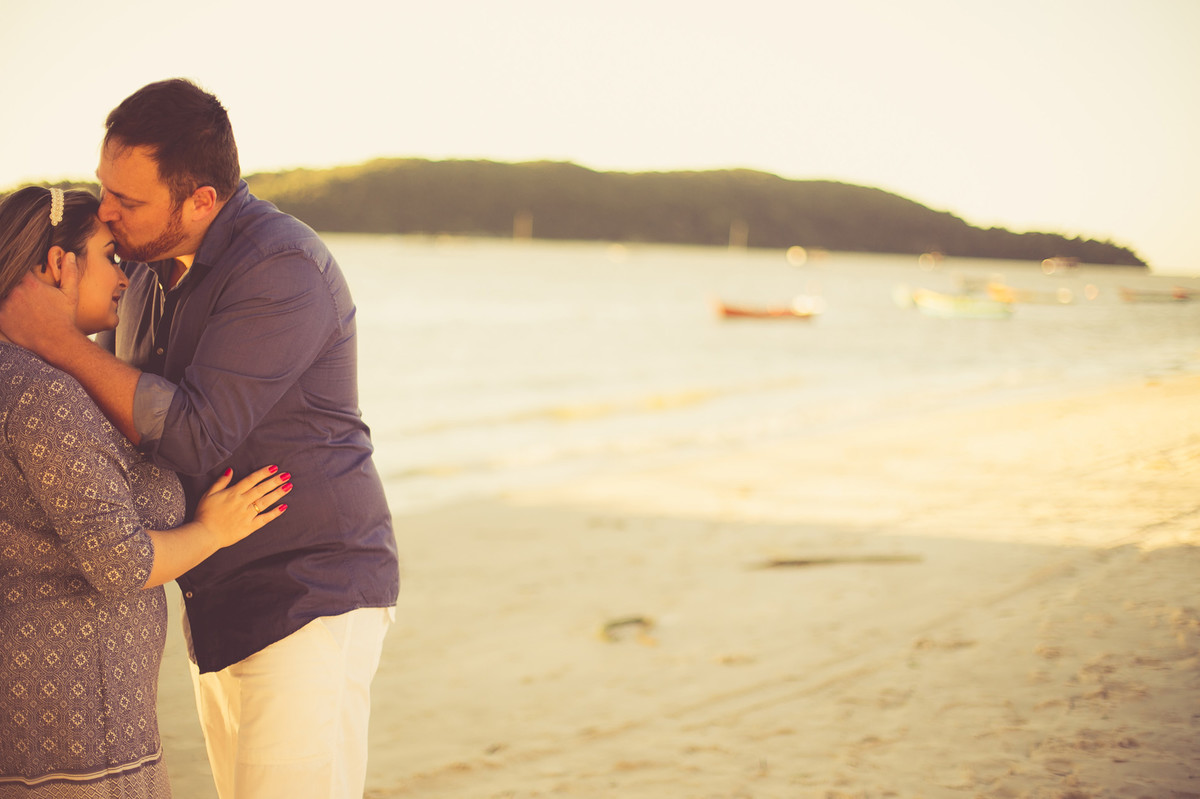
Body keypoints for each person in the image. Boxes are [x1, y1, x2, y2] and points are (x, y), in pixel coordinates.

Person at [0, 80, 399, 799]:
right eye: (104, 188)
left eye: (128, 200)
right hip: (214, 600)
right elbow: (117, 432)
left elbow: (192, 435)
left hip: (307, 590)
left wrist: (56, 340)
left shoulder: (280, 267)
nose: (106, 212)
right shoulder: (143, 274)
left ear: (201, 201)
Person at [0, 186, 292, 796]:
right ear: (57, 264)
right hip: (79, 720)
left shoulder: (25, 377)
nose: (125, 278)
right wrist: (213, 530)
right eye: (110, 257)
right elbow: (122, 563)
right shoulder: (42, 394)